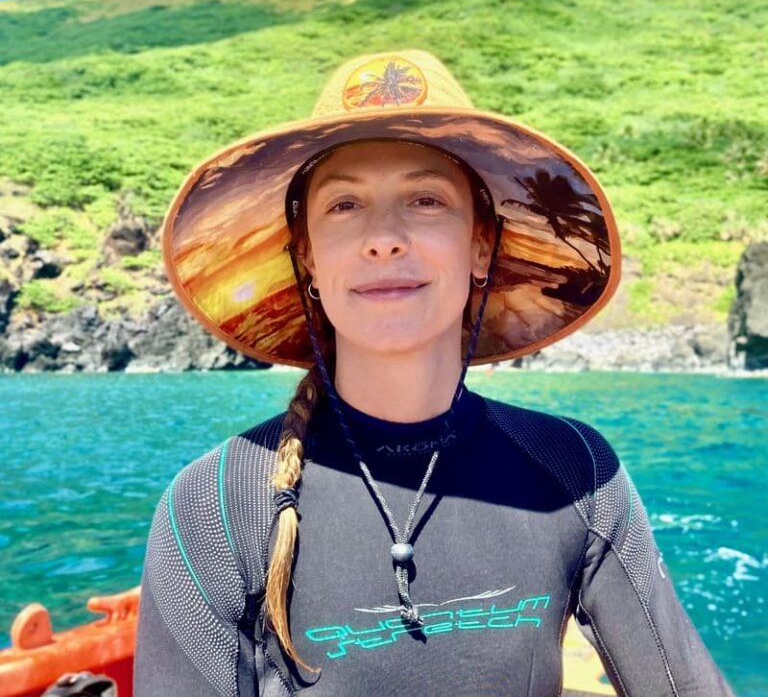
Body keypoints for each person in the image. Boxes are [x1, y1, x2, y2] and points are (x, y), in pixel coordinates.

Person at [134, 49, 733, 696]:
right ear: (306, 255)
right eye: (344, 205)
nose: (384, 237)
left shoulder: (573, 471)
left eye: (424, 199)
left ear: (480, 245)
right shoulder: (216, 503)